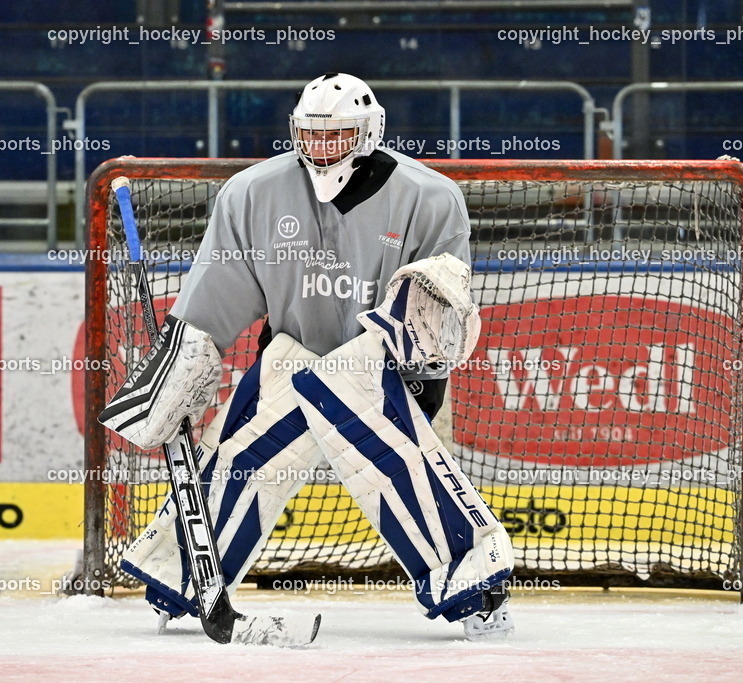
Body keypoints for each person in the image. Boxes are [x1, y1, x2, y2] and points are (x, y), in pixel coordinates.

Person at [99, 72, 515, 639]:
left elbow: (438, 314)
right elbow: (213, 298)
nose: (321, 149)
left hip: (381, 367)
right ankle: (182, 577)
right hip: (291, 358)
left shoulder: (429, 198)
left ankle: (477, 588)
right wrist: (180, 370)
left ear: (369, 133)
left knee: (397, 467)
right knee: (241, 459)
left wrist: (419, 379)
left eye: (336, 135)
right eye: (310, 135)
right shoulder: (251, 193)